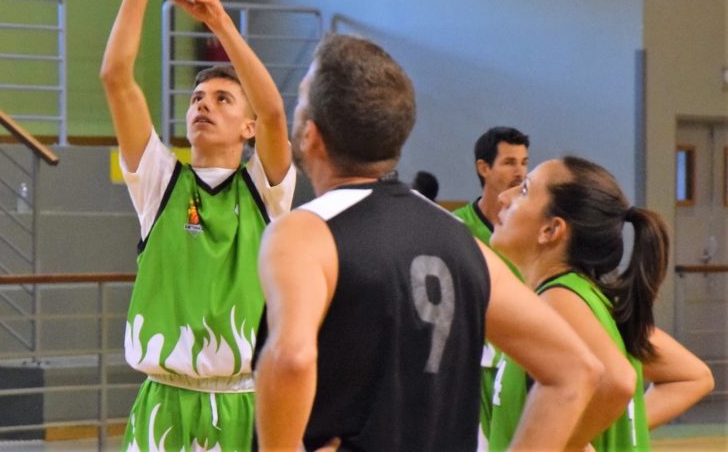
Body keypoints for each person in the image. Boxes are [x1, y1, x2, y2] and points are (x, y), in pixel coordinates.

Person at [253, 34, 604, 451]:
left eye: (300, 100)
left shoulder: (304, 232)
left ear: (311, 134)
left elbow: (291, 358)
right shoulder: (462, 240)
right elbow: (575, 369)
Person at [100, 0, 295, 451]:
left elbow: (275, 113)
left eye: (222, 99)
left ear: (248, 128)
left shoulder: (266, 191)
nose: (204, 105)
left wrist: (219, 23)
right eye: (196, 99)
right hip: (164, 401)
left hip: (243, 403)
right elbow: (116, 78)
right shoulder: (160, 182)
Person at [488, 156, 714, 451]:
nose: (504, 197)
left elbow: (617, 381)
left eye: (525, 190)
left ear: (551, 230)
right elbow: (691, 376)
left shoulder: (560, 299)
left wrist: (560, 442)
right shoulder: (588, 298)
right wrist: (604, 431)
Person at [453, 126, 528, 449]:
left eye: (524, 162)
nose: (520, 172)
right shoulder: (456, 229)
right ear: (484, 168)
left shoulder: (531, 229)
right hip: (473, 369)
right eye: (509, 162)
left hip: (523, 363)